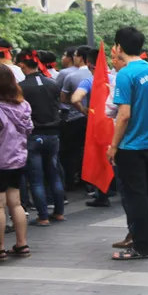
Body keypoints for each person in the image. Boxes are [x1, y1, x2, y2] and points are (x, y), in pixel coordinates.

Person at [107, 27, 148, 260]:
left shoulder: (125, 74)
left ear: (119, 48)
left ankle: (141, 246)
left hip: (131, 146)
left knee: (137, 196)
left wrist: (114, 146)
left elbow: (123, 115)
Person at [0, 64, 33, 259]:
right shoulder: (24, 105)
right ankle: (22, 244)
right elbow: (29, 128)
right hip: (19, 158)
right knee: (16, 202)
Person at [18, 49, 66, 226]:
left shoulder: (21, 87)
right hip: (53, 134)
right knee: (53, 174)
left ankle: (43, 216)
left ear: (23, 65)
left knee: (36, 177)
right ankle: (59, 212)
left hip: (33, 135)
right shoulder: (52, 83)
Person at [58, 45, 93, 191]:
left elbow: (65, 98)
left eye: (76, 56)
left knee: (71, 151)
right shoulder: (103, 75)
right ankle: (89, 181)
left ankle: (71, 180)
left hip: (74, 118)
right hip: (94, 118)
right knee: (89, 149)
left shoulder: (70, 76)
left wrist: (83, 110)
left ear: (82, 58)